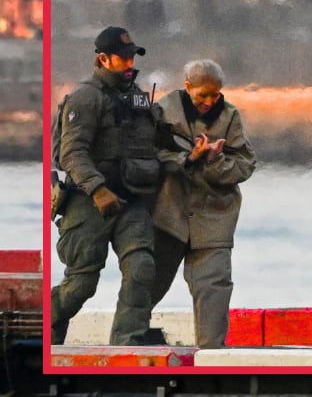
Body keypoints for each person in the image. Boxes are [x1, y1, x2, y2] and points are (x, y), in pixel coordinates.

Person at [50, 26, 160, 345]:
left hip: (130, 198)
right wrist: (98, 190)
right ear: (103, 59)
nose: (130, 64)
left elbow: (154, 140)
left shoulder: (138, 97)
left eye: (132, 58)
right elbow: (71, 153)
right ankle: (47, 322)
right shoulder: (86, 98)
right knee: (82, 284)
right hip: (88, 200)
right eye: (123, 58)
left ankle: (128, 342)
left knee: (141, 267)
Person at [150, 60, 257, 349]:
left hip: (214, 217)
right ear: (187, 87)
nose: (210, 102)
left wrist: (214, 160)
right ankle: (124, 345)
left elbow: (245, 166)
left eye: (216, 95)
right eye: (203, 95)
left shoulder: (231, 117)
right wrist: (187, 159)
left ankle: (212, 356)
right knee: (146, 285)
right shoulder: (161, 111)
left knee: (213, 287)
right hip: (168, 215)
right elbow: (148, 157)